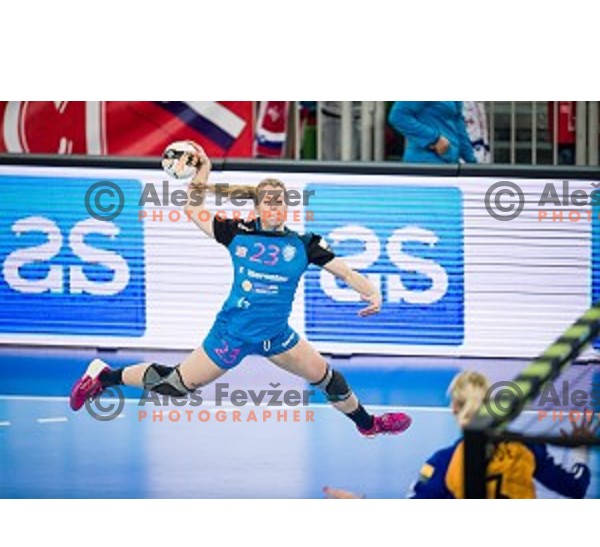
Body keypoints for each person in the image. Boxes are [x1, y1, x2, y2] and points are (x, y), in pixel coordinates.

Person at [69, 141, 412, 438]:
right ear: (258, 207)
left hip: (276, 336)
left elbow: (347, 272)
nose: (276, 208)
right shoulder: (237, 233)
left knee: (327, 377)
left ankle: (368, 424)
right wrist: (203, 173)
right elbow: (193, 208)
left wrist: (372, 291)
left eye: (281, 202)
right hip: (231, 334)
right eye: (269, 203)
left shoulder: (304, 244)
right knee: (174, 386)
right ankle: (104, 376)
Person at [324, 371, 593, 499]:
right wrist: (580, 449)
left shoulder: (444, 464)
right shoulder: (526, 448)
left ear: (455, 408)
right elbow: (575, 488)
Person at [388, 101, 476, 164]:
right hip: (425, 163)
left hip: (450, 163)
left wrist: (472, 162)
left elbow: (459, 126)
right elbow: (398, 116)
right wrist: (434, 139)